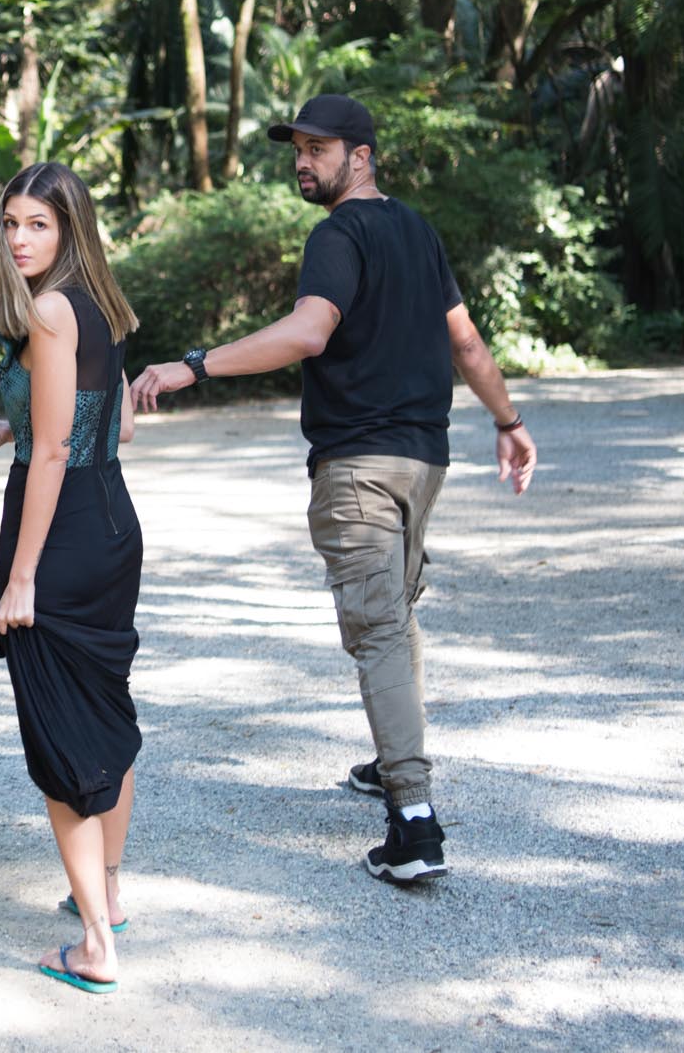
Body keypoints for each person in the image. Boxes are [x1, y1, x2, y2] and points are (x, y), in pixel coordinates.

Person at [130, 93, 539, 886]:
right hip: (423, 463)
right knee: (396, 613)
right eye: (298, 149)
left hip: (358, 465)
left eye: (318, 149)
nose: (302, 162)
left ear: (362, 155)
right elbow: (465, 342)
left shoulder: (337, 235)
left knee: (379, 627)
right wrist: (509, 420)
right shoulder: (416, 230)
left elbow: (308, 330)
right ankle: (392, 761)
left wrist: (194, 365)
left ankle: (413, 820)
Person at [0, 162, 143, 995]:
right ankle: (109, 898)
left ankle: (96, 945)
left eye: (38, 224)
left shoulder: (51, 309)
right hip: (111, 522)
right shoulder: (103, 304)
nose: (19, 239)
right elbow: (110, 423)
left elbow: (56, 449)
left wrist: (21, 575)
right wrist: (9, 429)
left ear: (70, 229)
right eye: (11, 223)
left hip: (60, 538)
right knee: (104, 710)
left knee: (60, 732)